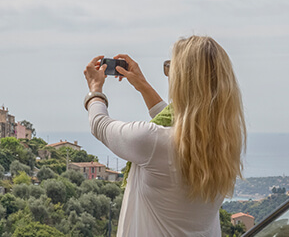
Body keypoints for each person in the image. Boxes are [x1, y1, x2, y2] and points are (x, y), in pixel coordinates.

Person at [83, 36, 246, 236]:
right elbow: (181, 124)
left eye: (170, 68)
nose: (168, 75)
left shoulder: (151, 142)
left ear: (183, 81)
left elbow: (100, 124)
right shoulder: (226, 143)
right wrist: (142, 85)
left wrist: (94, 89)